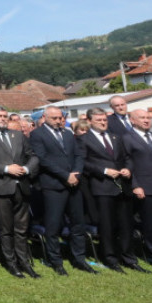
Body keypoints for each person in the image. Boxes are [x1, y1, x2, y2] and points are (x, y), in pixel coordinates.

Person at [29, 106, 94, 276]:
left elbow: (79, 155)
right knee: (53, 225)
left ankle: (79, 258)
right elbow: (43, 159)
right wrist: (66, 175)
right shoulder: (37, 134)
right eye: (54, 118)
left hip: (74, 184)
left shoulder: (67, 133)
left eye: (60, 118)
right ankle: (56, 260)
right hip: (54, 185)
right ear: (45, 117)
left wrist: (76, 174)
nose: (58, 121)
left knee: (77, 223)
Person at [0, 107, 39, 278]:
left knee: (22, 228)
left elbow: (32, 155)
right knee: (6, 227)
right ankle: (11, 263)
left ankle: (24, 261)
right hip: (2, 186)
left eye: (5, 116)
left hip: (21, 186)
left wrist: (26, 169)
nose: (3, 119)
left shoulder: (17, 135)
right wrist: (5, 168)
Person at [81, 110, 145, 273]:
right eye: (99, 120)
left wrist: (128, 169)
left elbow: (128, 158)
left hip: (122, 186)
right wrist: (103, 171)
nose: (103, 122)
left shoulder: (116, 137)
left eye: (105, 120)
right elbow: (83, 163)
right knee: (107, 226)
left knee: (126, 225)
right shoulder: (83, 139)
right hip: (102, 187)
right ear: (89, 121)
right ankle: (110, 258)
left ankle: (129, 258)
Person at [122, 108, 152, 261]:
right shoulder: (127, 138)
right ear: (132, 120)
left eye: (148, 117)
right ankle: (151, 254)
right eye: (142, 117)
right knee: (150, 223)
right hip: (144, 187)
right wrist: (135, 185)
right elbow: (126, 163)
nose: (147, 120)